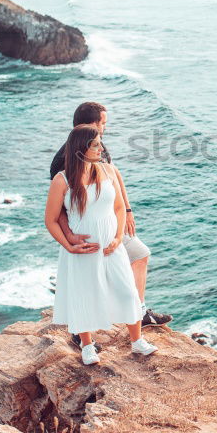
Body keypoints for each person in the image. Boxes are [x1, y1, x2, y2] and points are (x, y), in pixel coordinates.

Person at [49, 102, 172, 328]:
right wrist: (69, 236)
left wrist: (126, 209)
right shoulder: (62, 160)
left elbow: (114, 174)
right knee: (93, 276)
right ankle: (82, 330)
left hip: (110, 220)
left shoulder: (98, 148)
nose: (105, 129)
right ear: (91, 124)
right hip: (86, 227)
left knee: (139, 255)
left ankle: (138, 311)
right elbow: (61, 208)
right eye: (103, 123)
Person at [45, 124, 158, 364]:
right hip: (82, 250)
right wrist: (69, 245)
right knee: (84, 295)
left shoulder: (107, 170)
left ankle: (137, 341)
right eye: (95, 144)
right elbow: (51, 220)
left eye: (99, 143)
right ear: (80, 148)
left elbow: (118, 208)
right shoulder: (62, 180)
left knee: (128, 292)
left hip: (112, 247)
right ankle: (87, 346)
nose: (101, 148)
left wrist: (118, 238)